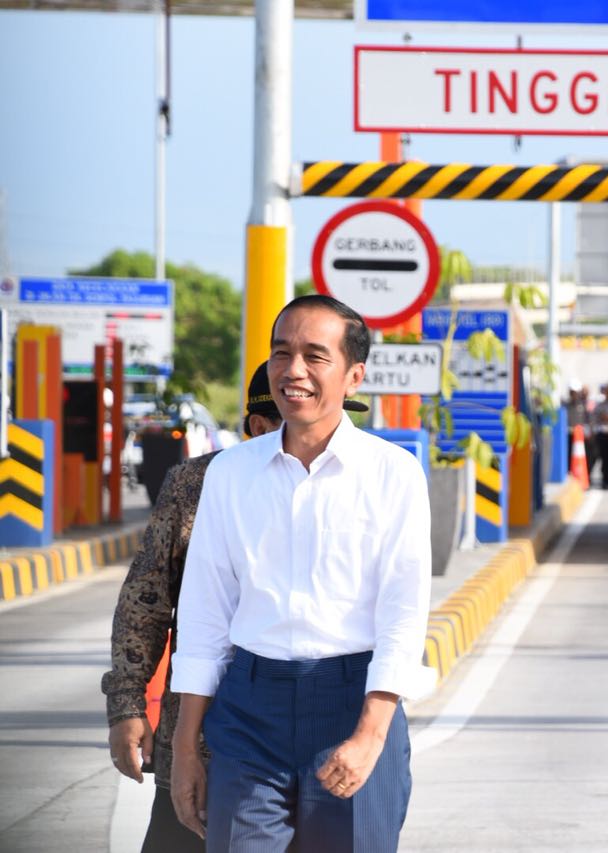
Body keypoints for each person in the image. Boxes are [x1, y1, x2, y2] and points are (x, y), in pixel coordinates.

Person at [169, 295, 432, 852]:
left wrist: (369, 736)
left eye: (316, 356)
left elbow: (404, 615)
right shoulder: (231, 473)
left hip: (351, 702)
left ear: (354, 376)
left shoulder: (394, 475)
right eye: (281, 353)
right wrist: (185, 749)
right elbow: (204, 614)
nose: (293, 371)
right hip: (247, 710)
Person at [101, 361, 288, 851]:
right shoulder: (193, 485)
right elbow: (146, 600)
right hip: (197, 740)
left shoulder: (347, 482)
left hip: (300, 741)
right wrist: (126, 704)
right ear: (259, 426)